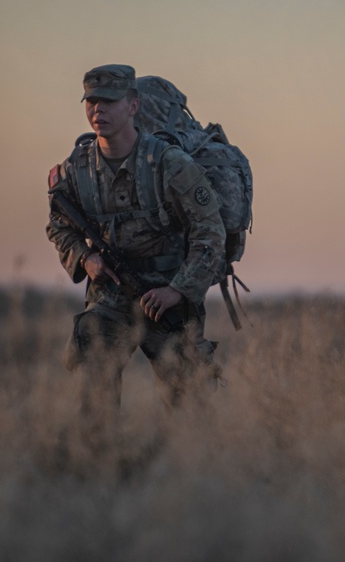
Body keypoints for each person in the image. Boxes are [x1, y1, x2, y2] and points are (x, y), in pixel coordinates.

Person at [46, 64, 225, 444]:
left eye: (109, 101)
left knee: (189, 397)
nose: (99, 110)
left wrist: (177, 290)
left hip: (165, 296)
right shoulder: (76, 169)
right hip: (110, 293)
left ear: (132, 105)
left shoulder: (169, 164)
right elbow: (58, 225)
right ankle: (98, 465)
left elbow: (210, 233)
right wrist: (84, 258)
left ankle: (191, 471)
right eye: (92, 101)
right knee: (95, 376)